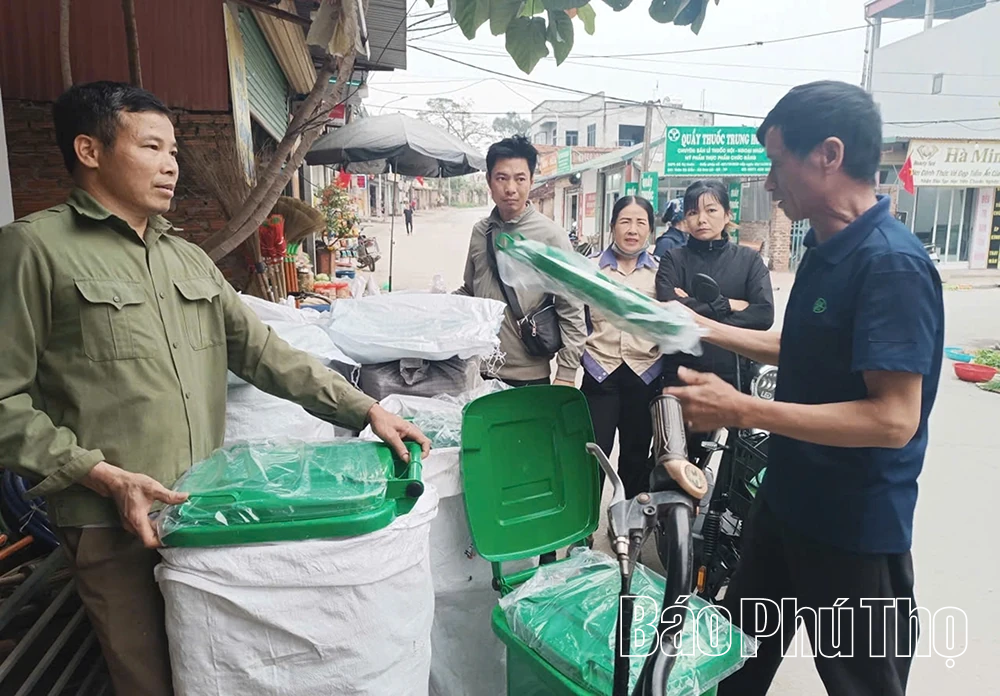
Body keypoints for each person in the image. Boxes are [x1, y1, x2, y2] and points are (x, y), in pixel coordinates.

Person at [0, 81, 431, 696]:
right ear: (90, 151)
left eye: (173, 149)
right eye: (152, 146)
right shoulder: (34, 250)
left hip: (207, 513)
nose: (172, 164)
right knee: (147, 680)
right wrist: (100, 474)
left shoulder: (187, 260)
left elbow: (260, 352)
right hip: (113, 521)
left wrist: (365, 409)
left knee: (217, 675)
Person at [664, 81, 944, 696]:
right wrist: (705, 327)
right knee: (729, 668)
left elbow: (893, 418)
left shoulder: (891, 264)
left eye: (776, 161)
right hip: (786, 505)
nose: (768, 182)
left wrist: (743, 409)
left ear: (829, 155)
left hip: (854, 529)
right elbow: (803, 346)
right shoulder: (824, 248)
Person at [454, 135, 587, 390]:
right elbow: (470, 291)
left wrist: (567, 373)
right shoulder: (481, 232)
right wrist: (433, 306)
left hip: (531, 376)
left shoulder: (551, 236)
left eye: (520, 178)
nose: (510, 188)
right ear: (489, 182)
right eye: (502, 178)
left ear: (531, 181)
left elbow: (571, 307)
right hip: (483, 370)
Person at [655, 180, 774, 391]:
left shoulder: (748, 260)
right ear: (685, 218)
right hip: (681, 375)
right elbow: (669, 310)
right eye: (693, 212)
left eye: (711, 210)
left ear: (727, 214)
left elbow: (763, 315)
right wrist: (729, 305)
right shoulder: (672, 259)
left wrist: (689, 306)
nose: (702, 219)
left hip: (735, 374)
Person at [581, 196, 664, 498]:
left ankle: (628, 524)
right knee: (592, 455)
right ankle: (585, 527)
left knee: (636, 456)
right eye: (625, 221)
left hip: (645, 375)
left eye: (641, 222)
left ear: (650, 230)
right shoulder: (589, 269)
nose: (633, 229)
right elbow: (575, 318)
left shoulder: (662, 273)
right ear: (613, 226)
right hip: (600, 373)